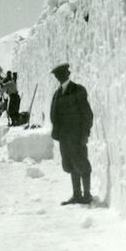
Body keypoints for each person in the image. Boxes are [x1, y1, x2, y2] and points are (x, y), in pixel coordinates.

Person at [49, 63, 94, 205]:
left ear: (67, 74)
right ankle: (76, 195)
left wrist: (85, 134)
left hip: (76, 135)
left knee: (82, 164)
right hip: (64, 137)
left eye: (61, 74)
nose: (59, 77)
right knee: (70, 164)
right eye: (57, 76)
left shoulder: (78, 90)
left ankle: (87, 195)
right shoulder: (57, 93)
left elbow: (87, 114)